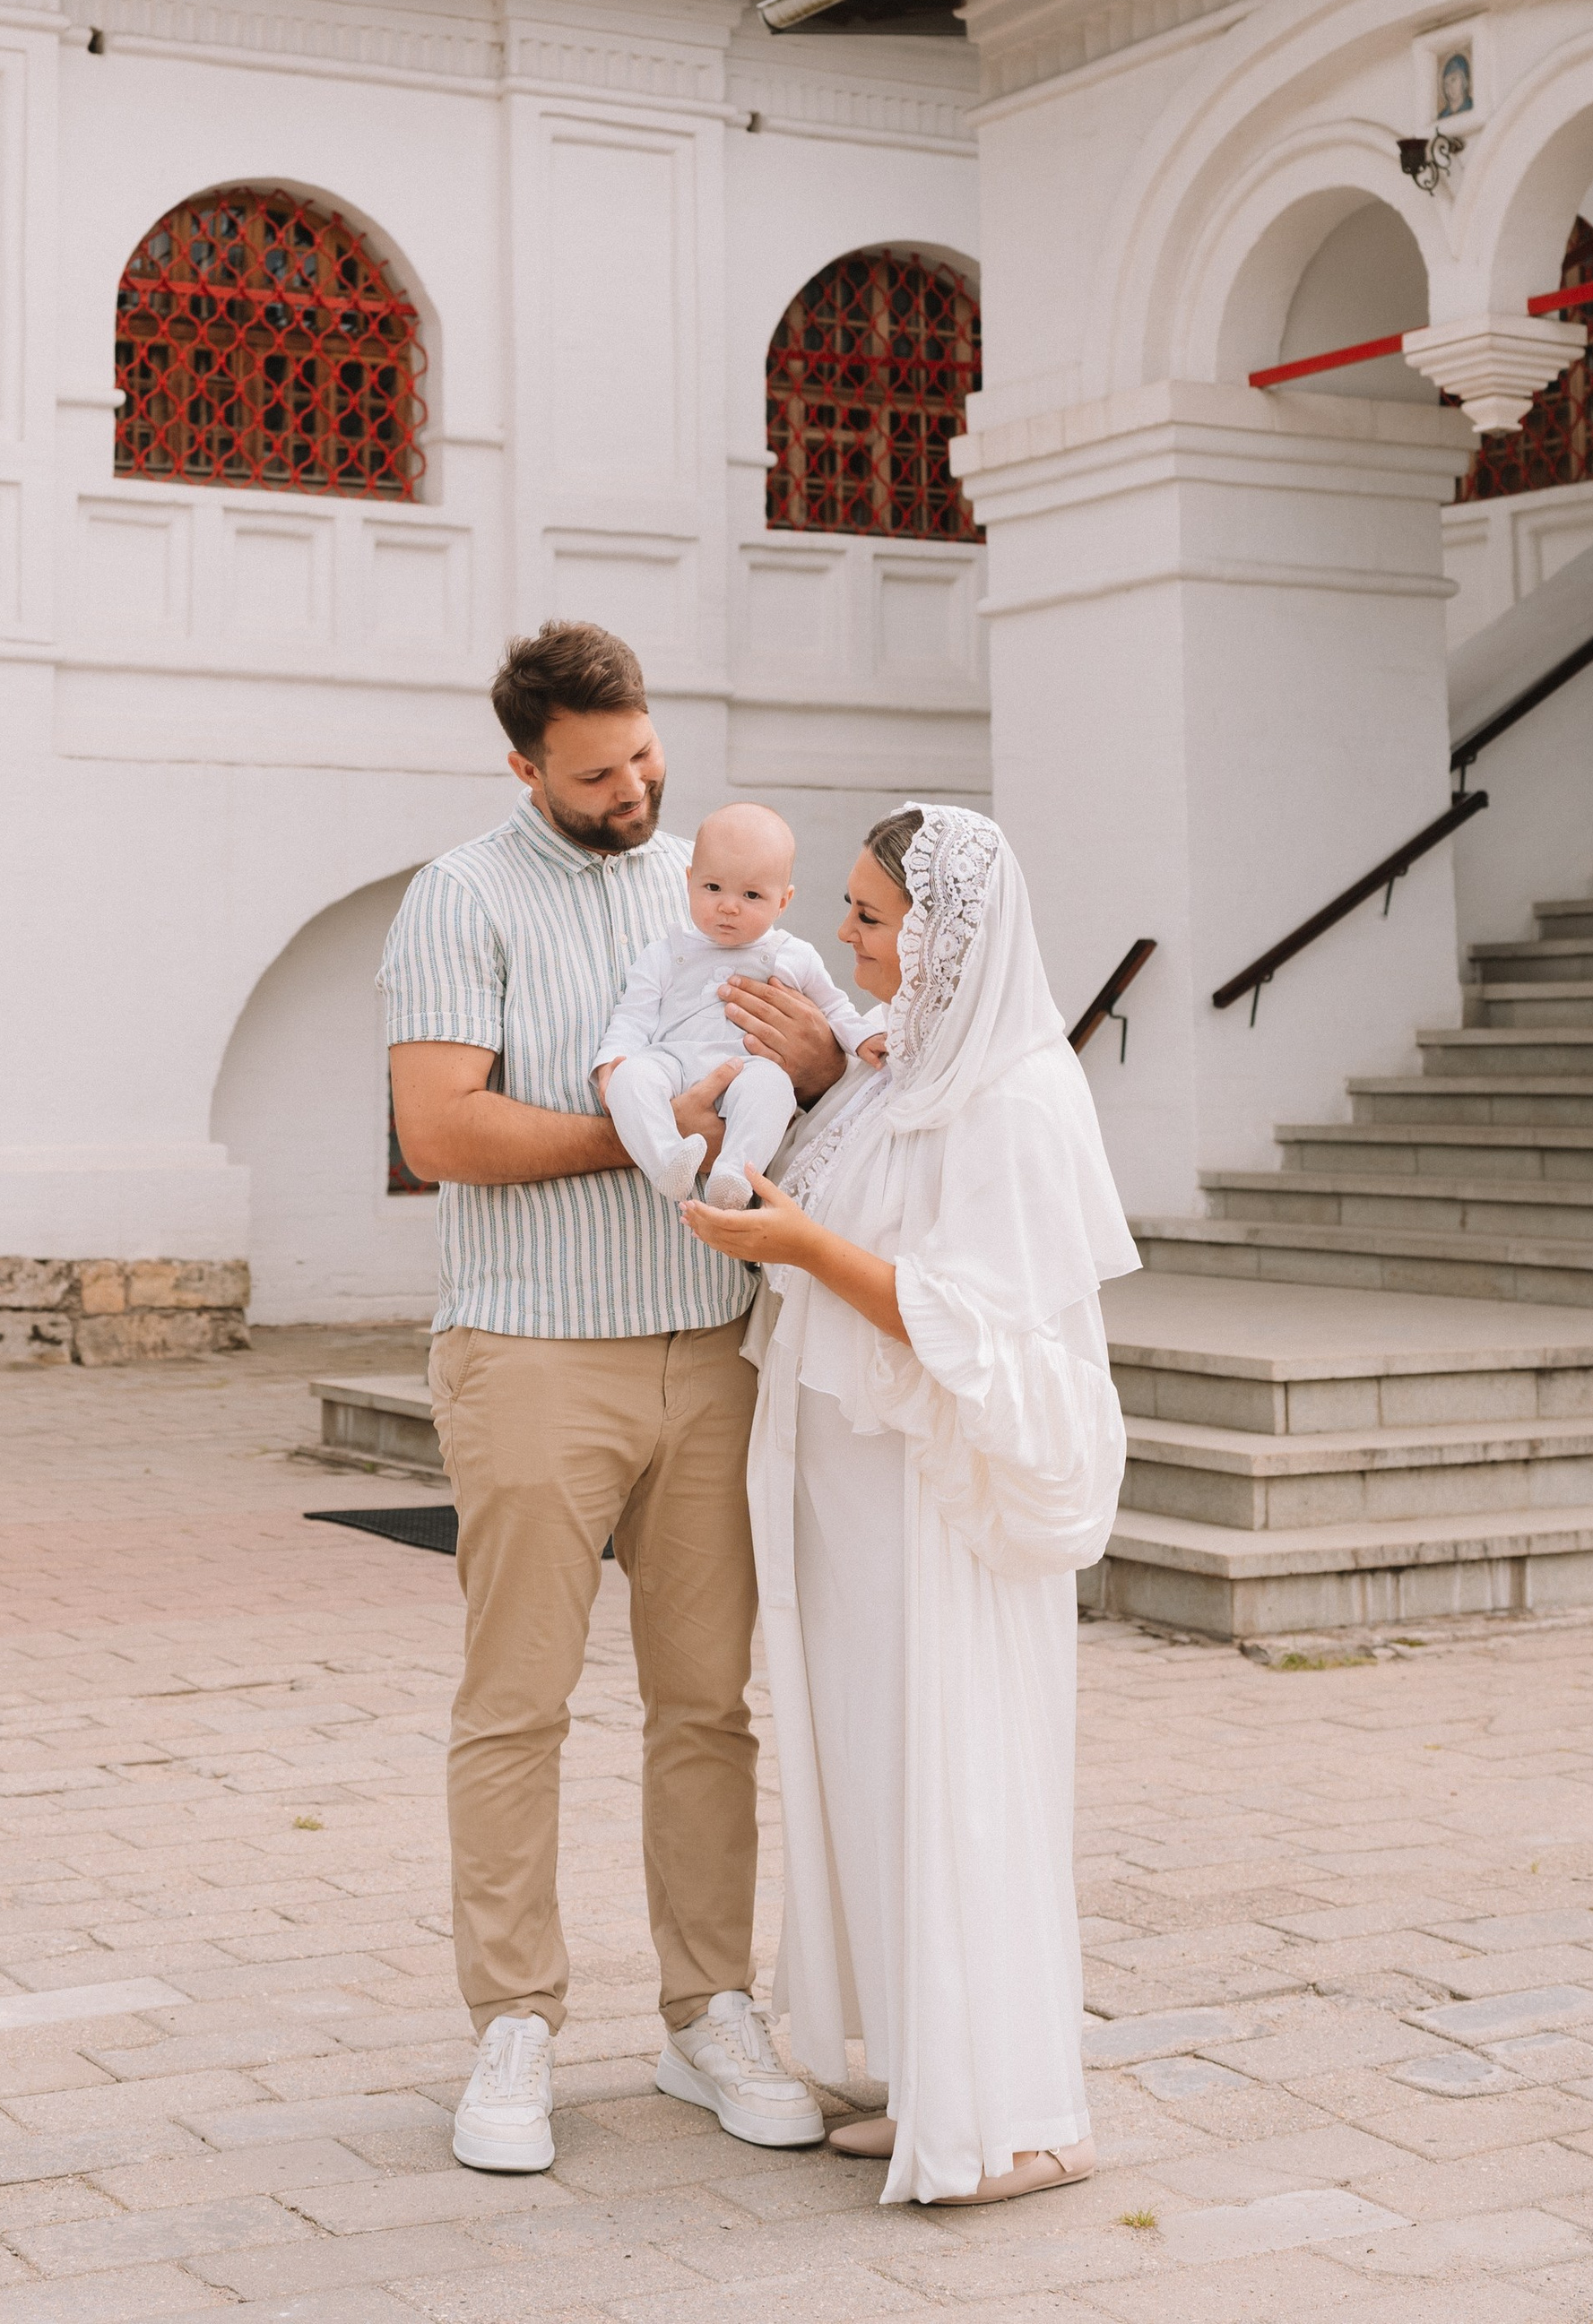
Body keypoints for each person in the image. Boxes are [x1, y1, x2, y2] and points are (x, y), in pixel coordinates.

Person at [380, 620, 846, 2175]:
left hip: (711, 1347)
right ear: (527, 768)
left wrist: (803, 1076)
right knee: (515, 1704)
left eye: (646, 755)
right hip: (531, 1355)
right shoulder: (459, 898)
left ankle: (708, 2011)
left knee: (708, 1706)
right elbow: (441, 1132)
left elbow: (816, 1072)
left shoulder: (707, 881)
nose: (638, 789)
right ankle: (513, 2028)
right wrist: (650, 1123)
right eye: (600, 774)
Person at [682, 801, 1139, 2207]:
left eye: (872, 918)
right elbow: (841, 1193)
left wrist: (806, 1242)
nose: (845, 936)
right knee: (876, 1766)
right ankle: (938, 2070)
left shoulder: (1016, 1096)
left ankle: (1016, 2117)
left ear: (946, 939)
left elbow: (988, 1323)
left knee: (958, 1770)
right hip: (848, 1490)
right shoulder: (899, 1071)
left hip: (933, 1498)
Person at [596, 800, 877, 1211]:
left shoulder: (791, 955)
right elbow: (633, 1016)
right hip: (671, 1062)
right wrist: (613, 1061)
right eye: (713, 888)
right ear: (689, 881)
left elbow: (836, 1010)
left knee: (774, 1088)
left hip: (747, 1066)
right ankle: (665, 1160)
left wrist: (865, 1037)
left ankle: (734, 1171)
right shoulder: (665, 952)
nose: (729, 906)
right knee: (629, 1078)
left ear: (783, 902)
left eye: (751, 894)